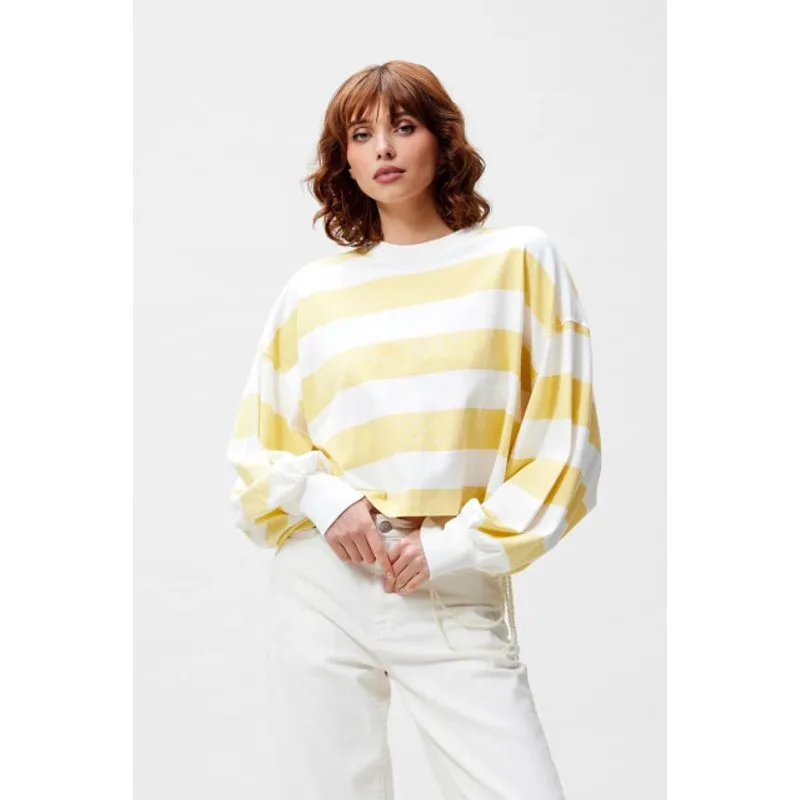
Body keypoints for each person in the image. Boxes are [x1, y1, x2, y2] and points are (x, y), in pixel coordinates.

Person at [226, 59, 602, 800]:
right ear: (343, 159)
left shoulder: (519, 261)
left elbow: (566, 449)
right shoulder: (312, 292)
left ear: (442, 140)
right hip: (323, 581)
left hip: (449, 578)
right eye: (361, 135)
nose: (384, 149)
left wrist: (452, 548)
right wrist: (325, 497)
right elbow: (257, 451)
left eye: (403, 126)